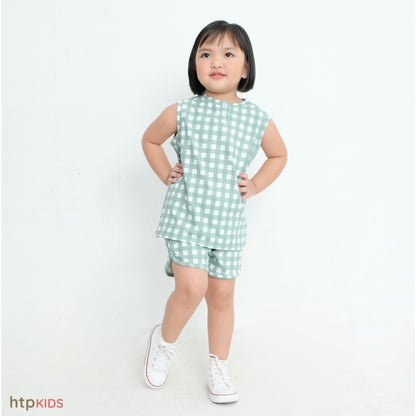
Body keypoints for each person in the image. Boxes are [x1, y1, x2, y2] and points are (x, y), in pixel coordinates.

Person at [141, 20, 287, 404]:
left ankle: (218, 366)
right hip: (186, 215)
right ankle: (164, 343)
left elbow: (278, 155)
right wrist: (165, 172)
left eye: (228, 54)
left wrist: (255, 185)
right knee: (192, 288)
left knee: (221, 296)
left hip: (227, 224)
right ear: (195, 64)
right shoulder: (183, 111)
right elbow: (151, 140)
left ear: (245, 67)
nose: (216, 62)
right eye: (205, 54)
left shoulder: (257, 118)